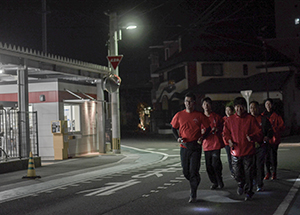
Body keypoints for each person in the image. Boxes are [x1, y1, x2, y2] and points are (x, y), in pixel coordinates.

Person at [170, 92, 210, 203]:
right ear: (184, 103)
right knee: (185, 171)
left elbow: (208, 128)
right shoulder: (179, 115)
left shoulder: (199, 115)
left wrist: (203, 137)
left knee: (193, 171)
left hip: (195, 146)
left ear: (194, 103)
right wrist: (177, 138)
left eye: (190, 101)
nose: (188, 103)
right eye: (186, 101)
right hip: (184, 146)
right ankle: (195, 179)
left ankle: (193, 193)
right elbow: (173, 127)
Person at [223, 97, 263, 201]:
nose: (239, 109)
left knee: (248, 173)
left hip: (248, 151)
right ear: (234, 107)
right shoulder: (230, 120)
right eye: (237, 106)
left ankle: (249, 191)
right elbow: (225, 133)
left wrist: (252, 137)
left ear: (245, 107)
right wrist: (229, 141)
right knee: (237, 173)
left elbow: (259, 132)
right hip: (235, 151)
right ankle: (240, 183)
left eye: (241, 106)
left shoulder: (250, 119)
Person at [201, 97, 225, 190]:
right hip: (206, 145)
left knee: (216, 163)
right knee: (208, 166)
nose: (206, 106)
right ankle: (214, 182)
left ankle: (219, 180)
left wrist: (217, 129)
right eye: (204, 104)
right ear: (202, 106)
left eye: (208, 104)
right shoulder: (200, 117)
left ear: (211, 105)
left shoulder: (216, 117)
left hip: (215, 143)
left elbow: (223, 126)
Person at [249, 101, 273, 191]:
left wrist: (267, 137)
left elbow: (270, 131)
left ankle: (259, 183)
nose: (252, 109)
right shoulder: (247, 119)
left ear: (258, 108)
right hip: (250, 146)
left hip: (261, 145)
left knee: (259, 164)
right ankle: (254, 180)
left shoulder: (263, 119)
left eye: (254, 107)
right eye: (251, 107)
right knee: (252, 165)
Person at [262, 98, 285, 180]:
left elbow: (282, 126)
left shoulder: (276, 115)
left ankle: (274, 173)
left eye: (269, 103)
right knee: (266, 157)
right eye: (266, 104)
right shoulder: (263, 115)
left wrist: (274, 129)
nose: (268, 105)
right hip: (265, 139)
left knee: (273, 156)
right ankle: (268, 172)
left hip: (274, 139)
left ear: (272, 105)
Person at [223, 105, 235, 177]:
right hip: (226, 142)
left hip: (234, 141)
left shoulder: (234, 119)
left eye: (229, 110)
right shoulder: (223, 119)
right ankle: (232, 171)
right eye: (226, 110)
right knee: (229, 157)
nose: (227, 112)